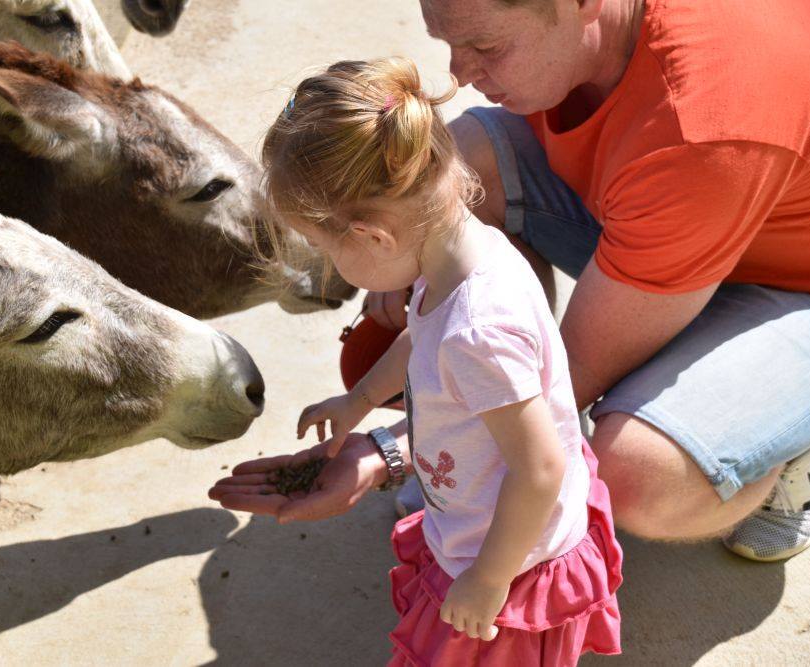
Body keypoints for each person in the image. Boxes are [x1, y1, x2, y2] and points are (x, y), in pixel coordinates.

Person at [356, 0, 810, 562]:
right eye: (450, 42)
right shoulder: (590, 46)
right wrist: (408, 238)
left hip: (795, 284)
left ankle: (789, 455)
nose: (460, 74)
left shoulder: (704, 121)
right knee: (440, 185)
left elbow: (569, 372)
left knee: (639, 474)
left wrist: (403, 452)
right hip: (693, 211)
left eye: (487, 48)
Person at [210, 57, 622, 665]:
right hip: (480, 519)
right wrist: (358, 401)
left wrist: (487, 579)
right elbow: (417, 335)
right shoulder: (465, 255)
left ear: (374, 238)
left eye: (325, 250)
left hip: (509, 556)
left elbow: (540, 471)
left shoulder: (479, 333)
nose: (330, 268)